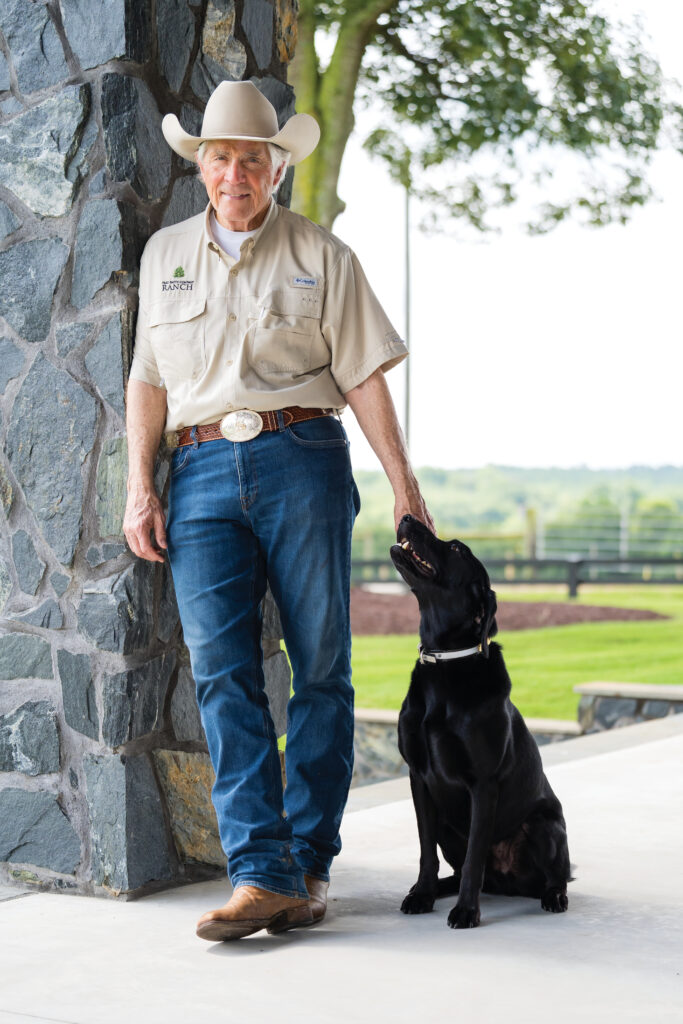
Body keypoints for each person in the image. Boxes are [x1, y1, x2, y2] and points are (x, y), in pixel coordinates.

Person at [123, 80, 433, 941]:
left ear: (275, 168)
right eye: (218, 158)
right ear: (202, 168)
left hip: (302, 459)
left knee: (321, 669)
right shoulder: (164, 255)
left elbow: (365, 374)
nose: (233, 173)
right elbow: (149, 377)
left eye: (249, 160)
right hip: (196, 475)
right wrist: (137, 486)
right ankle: (258, 873)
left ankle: (308, 862)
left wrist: (405, 487)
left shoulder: (322, 254)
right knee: (223, 674)